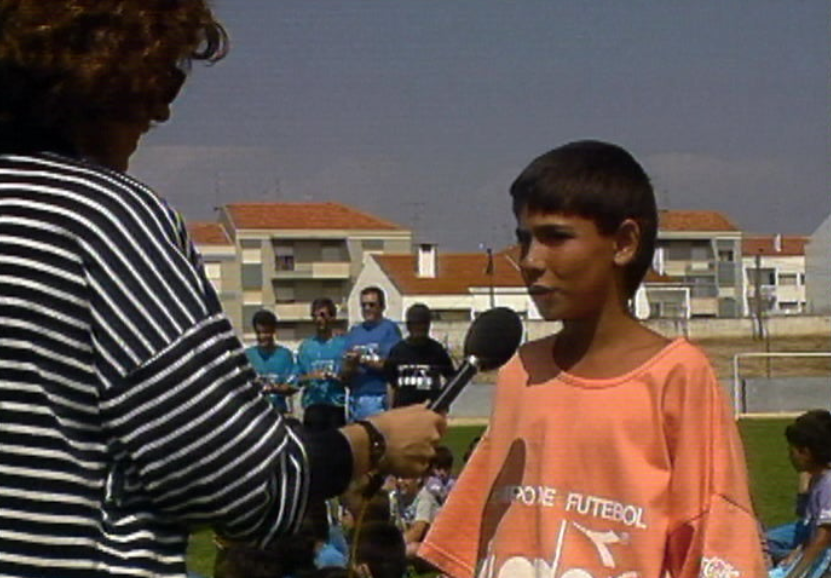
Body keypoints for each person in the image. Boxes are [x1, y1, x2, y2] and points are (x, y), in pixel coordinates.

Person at [0, 3, 445, 577]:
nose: (162, 108)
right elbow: (232, 479)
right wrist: (374, 441)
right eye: (159, 76)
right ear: (94, 73)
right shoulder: (98, 216)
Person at [418, 140, 766, 577]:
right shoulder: (520, 371)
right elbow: (474, 538)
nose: (530, 260)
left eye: (556, 237)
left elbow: (714, 538)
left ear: (623, 243)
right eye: (524, 240)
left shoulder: (676, 376)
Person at [768, 410, 831, 578]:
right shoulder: (818, 480)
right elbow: (809, 529)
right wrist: (796, 554)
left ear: (806, 452)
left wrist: (795, 573)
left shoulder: (828, 486)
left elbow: (823, 539)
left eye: (793, 449)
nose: (790, 455)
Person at [342, 286, 402, 420]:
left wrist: (362, 360)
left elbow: (390, 365)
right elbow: (345, 371)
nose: (367, 309)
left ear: (382, 306)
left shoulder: (389, 329)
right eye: (363, 305)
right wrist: (349, 365)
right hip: (355, 396)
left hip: (378, 395)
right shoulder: (355, 331)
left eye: (372, 305)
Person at [385, 303, 455, 409]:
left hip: (429, 411)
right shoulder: (397, 351)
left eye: (423, 324)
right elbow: (390, 384)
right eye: (415, 324)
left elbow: (451, 378)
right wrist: (390, 409)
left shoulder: (436, 350)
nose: (419, 328)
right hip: (402, 411)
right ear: (408, 326)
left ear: (428, 325)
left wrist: (442, 402)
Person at [296, 298, 349, 430]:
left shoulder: (343, 344)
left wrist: (338, 377)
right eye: (315, 316)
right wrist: (313, 376)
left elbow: (349, 375)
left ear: (332, 317)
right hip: (313, 406)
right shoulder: (306, 346)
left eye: (323, 315)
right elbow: (297, 379)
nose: (319, 320)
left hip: (336, 406)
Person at [246, 309, 299, 413]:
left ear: (273, 331)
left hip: (279, 411)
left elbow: (293, 386)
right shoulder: (248, 355)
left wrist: (274, 389)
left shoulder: (285, 355)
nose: (262, 337)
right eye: (258, 332)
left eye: (266, 332)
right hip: (254, 412)